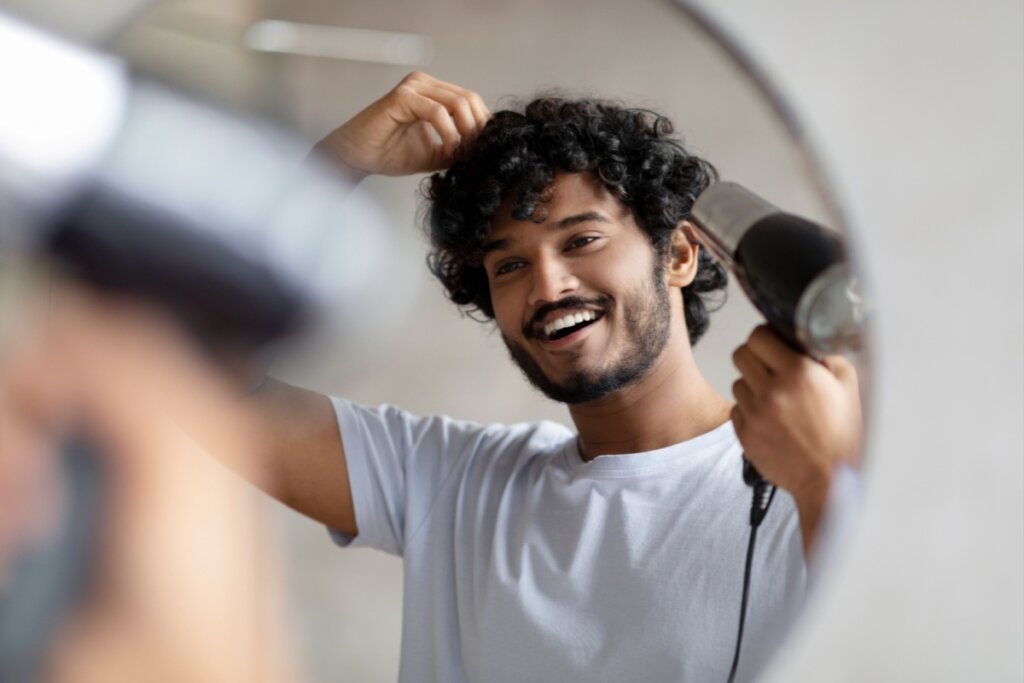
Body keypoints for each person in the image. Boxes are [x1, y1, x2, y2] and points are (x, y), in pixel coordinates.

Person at [244, 72, 863, 682]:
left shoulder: (809, 481)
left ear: (677, 254)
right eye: (509, 264)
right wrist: (328, 171)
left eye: (583, 240)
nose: (546, 286)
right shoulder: (448, 484)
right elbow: (185, 376)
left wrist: (823, 482)